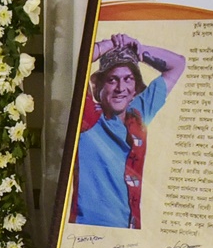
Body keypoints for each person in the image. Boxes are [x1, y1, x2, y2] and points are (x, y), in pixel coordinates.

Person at [72, 33, 186, 229]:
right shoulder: (88, 115)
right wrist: (110, 44)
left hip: (129, 231)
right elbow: (74, 58)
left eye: (128, 79)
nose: (120, 88)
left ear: (135, 88)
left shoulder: (139, 113)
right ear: (99, 86)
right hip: (87, 230)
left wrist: (139, 50)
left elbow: (178, 64)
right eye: (112, 80)